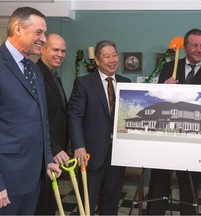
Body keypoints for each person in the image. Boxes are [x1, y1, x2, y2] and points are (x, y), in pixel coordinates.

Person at [146, 28, 201, 215]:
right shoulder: (169, 67)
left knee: (189, 191)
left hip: (195, 145)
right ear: (186, 46)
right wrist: (163, 89)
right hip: (166, 140)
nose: (199, 49)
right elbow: (155, 100)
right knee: (158, 185)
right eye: (194, 45)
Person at [0, 7, 62, 214]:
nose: (44, 39)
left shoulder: (34, 70)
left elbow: (42, 120)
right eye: (39, 32)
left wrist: (47, 159)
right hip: (7, 181)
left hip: (34, 178)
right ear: (18, 28)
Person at [67, 40, 131, 214]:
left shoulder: (126, 82)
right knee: (87, 199)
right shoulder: (84, 83)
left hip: (117, 154)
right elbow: (74, 117)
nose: (112, 60)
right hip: (90, 154)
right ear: (97, 60)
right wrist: (78, 146)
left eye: (115, 55)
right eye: (107, 56)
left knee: (111, 199)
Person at [35, 33, 70, 215]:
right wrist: (54, 148)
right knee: (41, 205)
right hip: (44, 154)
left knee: (50, 202)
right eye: (55, 49)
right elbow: (38, 119)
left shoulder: (54, 76)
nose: (60, 54)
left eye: (63, 51)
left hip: (53, 153)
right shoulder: (37, 75)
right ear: (42, 49)